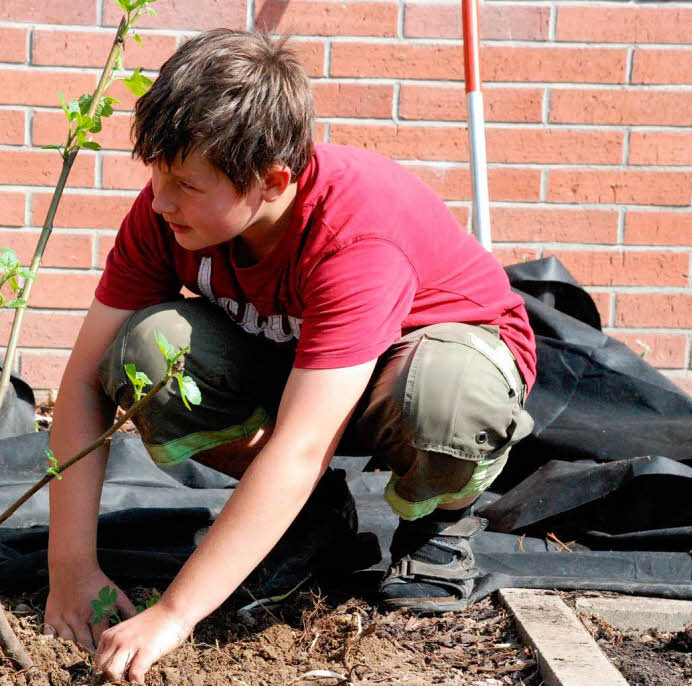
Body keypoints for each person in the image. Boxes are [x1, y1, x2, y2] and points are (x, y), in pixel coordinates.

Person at [43, 28, 536, 683]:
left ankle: (439, 520)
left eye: (186, 184)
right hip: (305, 368)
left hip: (426, 373)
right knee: (146, 355)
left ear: (274, 180)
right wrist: (71, 569)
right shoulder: (167, 217)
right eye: (155, 174)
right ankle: (312, 517)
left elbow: (303, 446)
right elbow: (80, 384)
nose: (160, 200)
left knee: (447, 397)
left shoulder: (356, 237)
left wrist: (175, 613)